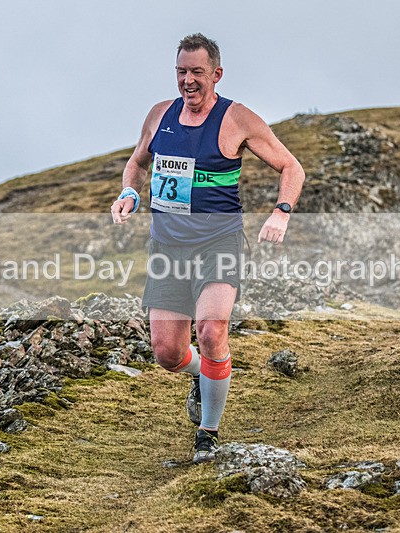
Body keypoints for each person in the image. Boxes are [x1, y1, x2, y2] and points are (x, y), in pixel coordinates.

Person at [111, 33, 305, 463]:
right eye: (181, 71)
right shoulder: (160, 115)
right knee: (166, 352)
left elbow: (291, 166)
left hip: (219, 242)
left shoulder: (237, 119)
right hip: (167, 248)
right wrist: (130, 193)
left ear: (216, 74)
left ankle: (208, 433)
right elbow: (138, 162)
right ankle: (202, 374)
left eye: (197, 72)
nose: (188, 80)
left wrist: (282, 211)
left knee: (212, 330)